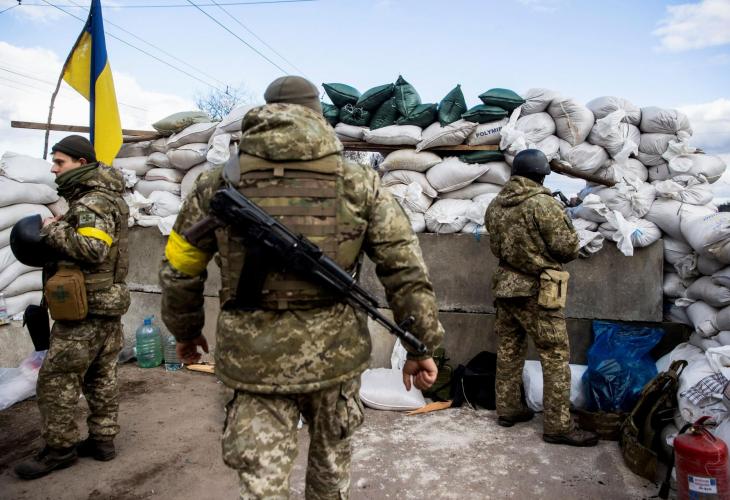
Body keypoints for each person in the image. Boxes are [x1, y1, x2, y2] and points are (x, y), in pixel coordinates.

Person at [159, 76, 444, 498]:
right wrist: (421, 347)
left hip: (252, 360)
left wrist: (185, 331)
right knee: (330, 476)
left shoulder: (216, 182)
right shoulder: (359, 182)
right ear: (317, 114)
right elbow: (406, 271)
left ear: (265, 112)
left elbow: (179, 268)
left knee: (262, 486)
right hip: (335, 360)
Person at [14, 135, 130, 479]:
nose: (54, 168)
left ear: (81, 163)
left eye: (60, 162)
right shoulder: (103, 197)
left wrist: (52, 231)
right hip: (103, 304)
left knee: (56, 379)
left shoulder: (93, 201)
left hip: (85, 308)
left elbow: (93, 249)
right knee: (101, 376)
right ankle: (102, 441)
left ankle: (60, 449)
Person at [484, 149, 598, 447]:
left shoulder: (495, 204)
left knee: (509, 350)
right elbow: (567, 249)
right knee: (555, 354)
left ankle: (508, 409)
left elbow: (496, 247)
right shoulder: (543, 204)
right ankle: (558, 426)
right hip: (537, 291)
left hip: (505, 287)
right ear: (541, 175)